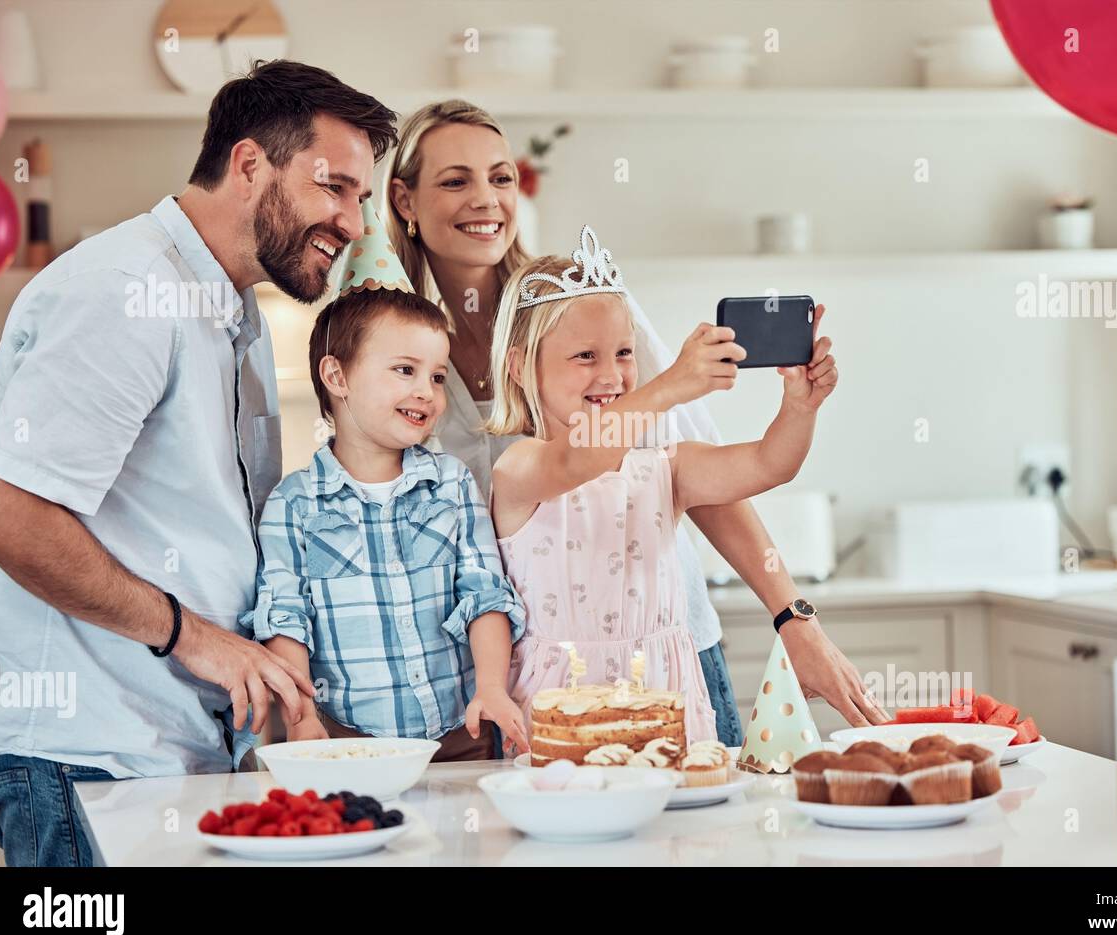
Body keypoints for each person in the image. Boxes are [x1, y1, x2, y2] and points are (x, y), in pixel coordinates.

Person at [0, 60, 397, 866]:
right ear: (248, 166)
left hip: (161, 758)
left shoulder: (230, 311)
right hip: (82, 761)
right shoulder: (125, 289)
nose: (351, 221)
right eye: (333, 187)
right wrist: (191, 636)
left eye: (361, 198)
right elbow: (0, 511)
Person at [380, 99, 890, 746]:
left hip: (667, 662)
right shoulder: (400, 351)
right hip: (520, 685)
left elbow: (739, 471)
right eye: (455, 180)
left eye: (502, 177)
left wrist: (794, 614)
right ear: (405, 199)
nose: (486, 199)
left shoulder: (586, 303)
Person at [486, 227, 837, 741]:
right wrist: (670, 384)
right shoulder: (520, 469)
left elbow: (768, 464)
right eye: (586, 356)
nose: (612, 375)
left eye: (625, 353)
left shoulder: (663, 467)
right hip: (561, 722)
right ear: (520, 368)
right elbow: (574, 459)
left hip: (669, 709)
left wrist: (799, 408)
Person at [243, 201, 527, 760]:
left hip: (463, 735)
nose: (428, 391)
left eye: (438, 376)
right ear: (337, 376)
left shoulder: (452, 485)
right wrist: (299, 720)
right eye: (405, 370)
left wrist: (492, 686)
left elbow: (484, 594)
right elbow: (285, 617)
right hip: (348, 745)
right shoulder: (293, 504)